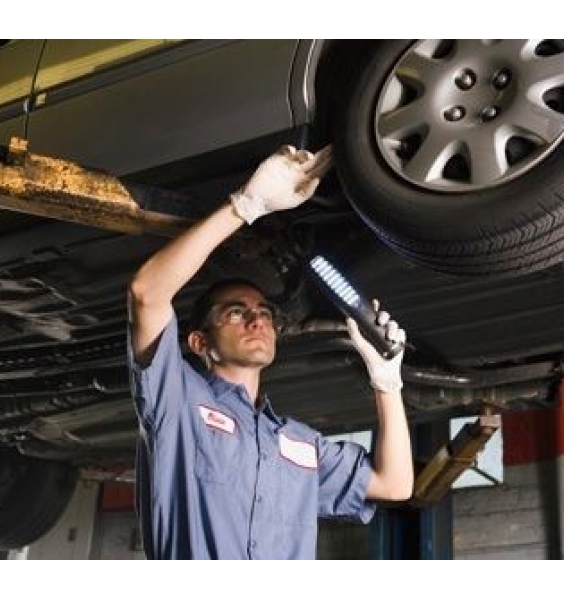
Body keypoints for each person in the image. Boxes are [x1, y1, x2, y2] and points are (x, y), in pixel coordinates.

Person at [127, 145, 413, 559]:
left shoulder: (299, 443)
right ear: (199, 343)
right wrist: (246, 204)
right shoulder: (179, 402)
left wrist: (388, 383)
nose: (257, 320)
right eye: (236, 312)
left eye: (263, 312)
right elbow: (146, 293)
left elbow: (395, 484)